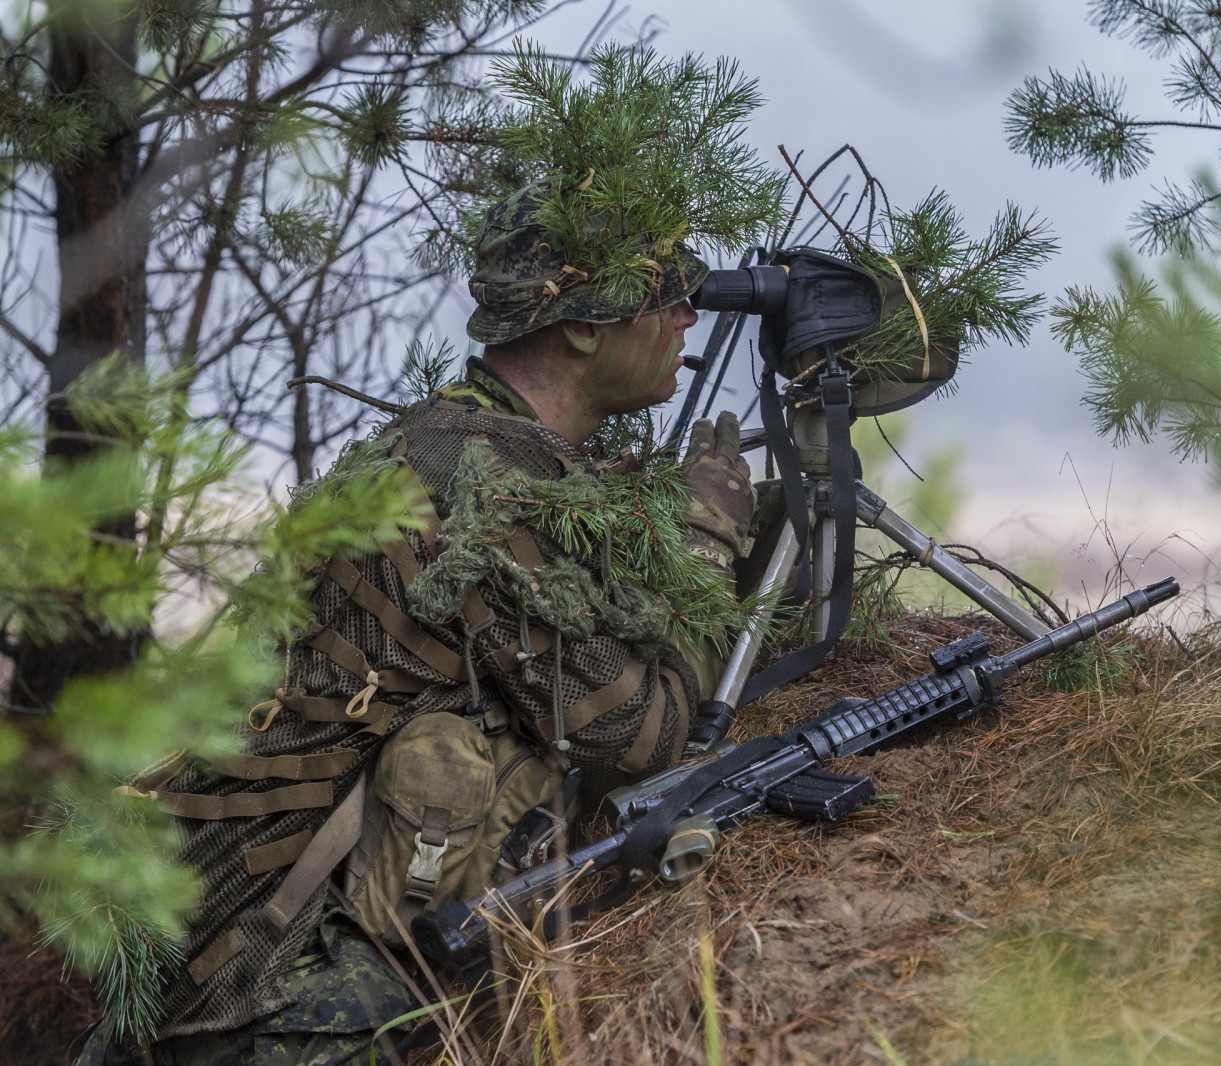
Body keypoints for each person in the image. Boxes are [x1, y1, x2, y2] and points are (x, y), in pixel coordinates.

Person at [74, 184, 756, 1065]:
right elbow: (651, 733)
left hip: (191, 957)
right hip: (272, 998)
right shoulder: (484, 491)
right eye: (667, 299)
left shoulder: (437, 440)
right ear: (584, 329)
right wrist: (708, 534)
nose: (688, 321)